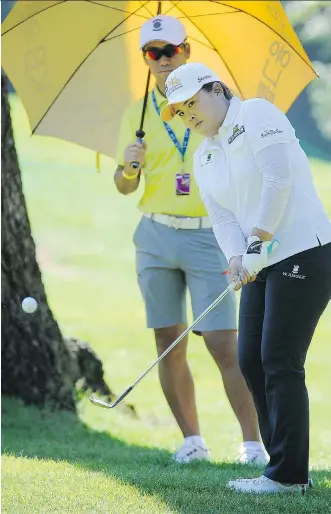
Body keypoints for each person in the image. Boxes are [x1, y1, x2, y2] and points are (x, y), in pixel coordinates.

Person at [161, 61, 331, 492]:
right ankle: (282, 468)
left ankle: (288, 477)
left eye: (191, 102)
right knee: (250, 359)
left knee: (278, 359)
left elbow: (279, 178)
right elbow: (220, 216)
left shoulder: (256, 113)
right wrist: (237, 257)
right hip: (259, 262)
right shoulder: (204, 153)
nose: (188, 114)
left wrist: (257, 241)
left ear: (216, 89)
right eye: (179, 111)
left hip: (304, 251)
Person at [114, 15, 266, 464]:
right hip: (156, 235)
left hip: (207, 238)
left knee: (223, 343)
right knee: (168, 338)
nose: (162, 61)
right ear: (146, 60)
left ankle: (254, 444)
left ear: (187, 52)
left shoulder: (214, 106)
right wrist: (128, 166)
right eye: (152, 54)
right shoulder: (135, 116)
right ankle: (192, 440)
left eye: (170, 51)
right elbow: (124, 188)